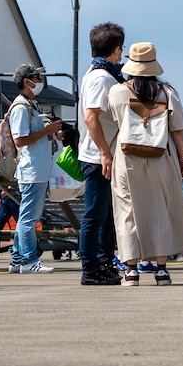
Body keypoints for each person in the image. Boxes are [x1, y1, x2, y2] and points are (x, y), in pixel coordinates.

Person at [107, 43, 183, 284]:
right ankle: (162, 269)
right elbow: (178, 132)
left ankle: (131, 270)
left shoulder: (117, 92)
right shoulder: (168, 93)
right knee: (159, 210)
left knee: (127, 211)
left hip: (127, 158)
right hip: (160, 156)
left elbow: (116, 121)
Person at [76, 22, 126, 286]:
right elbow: (90, 118)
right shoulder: (100, 78)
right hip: (98, 158)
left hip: (104, 156)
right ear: (116, 50)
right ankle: (91, 268)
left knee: (106, 215)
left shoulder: (100, 74)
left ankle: (104, 262)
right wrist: (105, 153)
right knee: (95, 215)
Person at [6, 64, 64, 274]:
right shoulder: (21, 107)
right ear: (26, 81)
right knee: (29, 218)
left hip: (37, 168)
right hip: (31, 170)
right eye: (36, 77)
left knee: (26, 216)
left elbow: (33, 137)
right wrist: (46, 131)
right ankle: (29, 260)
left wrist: (50, 133)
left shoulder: (32, 104)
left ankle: (16, 259)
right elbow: (20, 140)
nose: (40, 80)